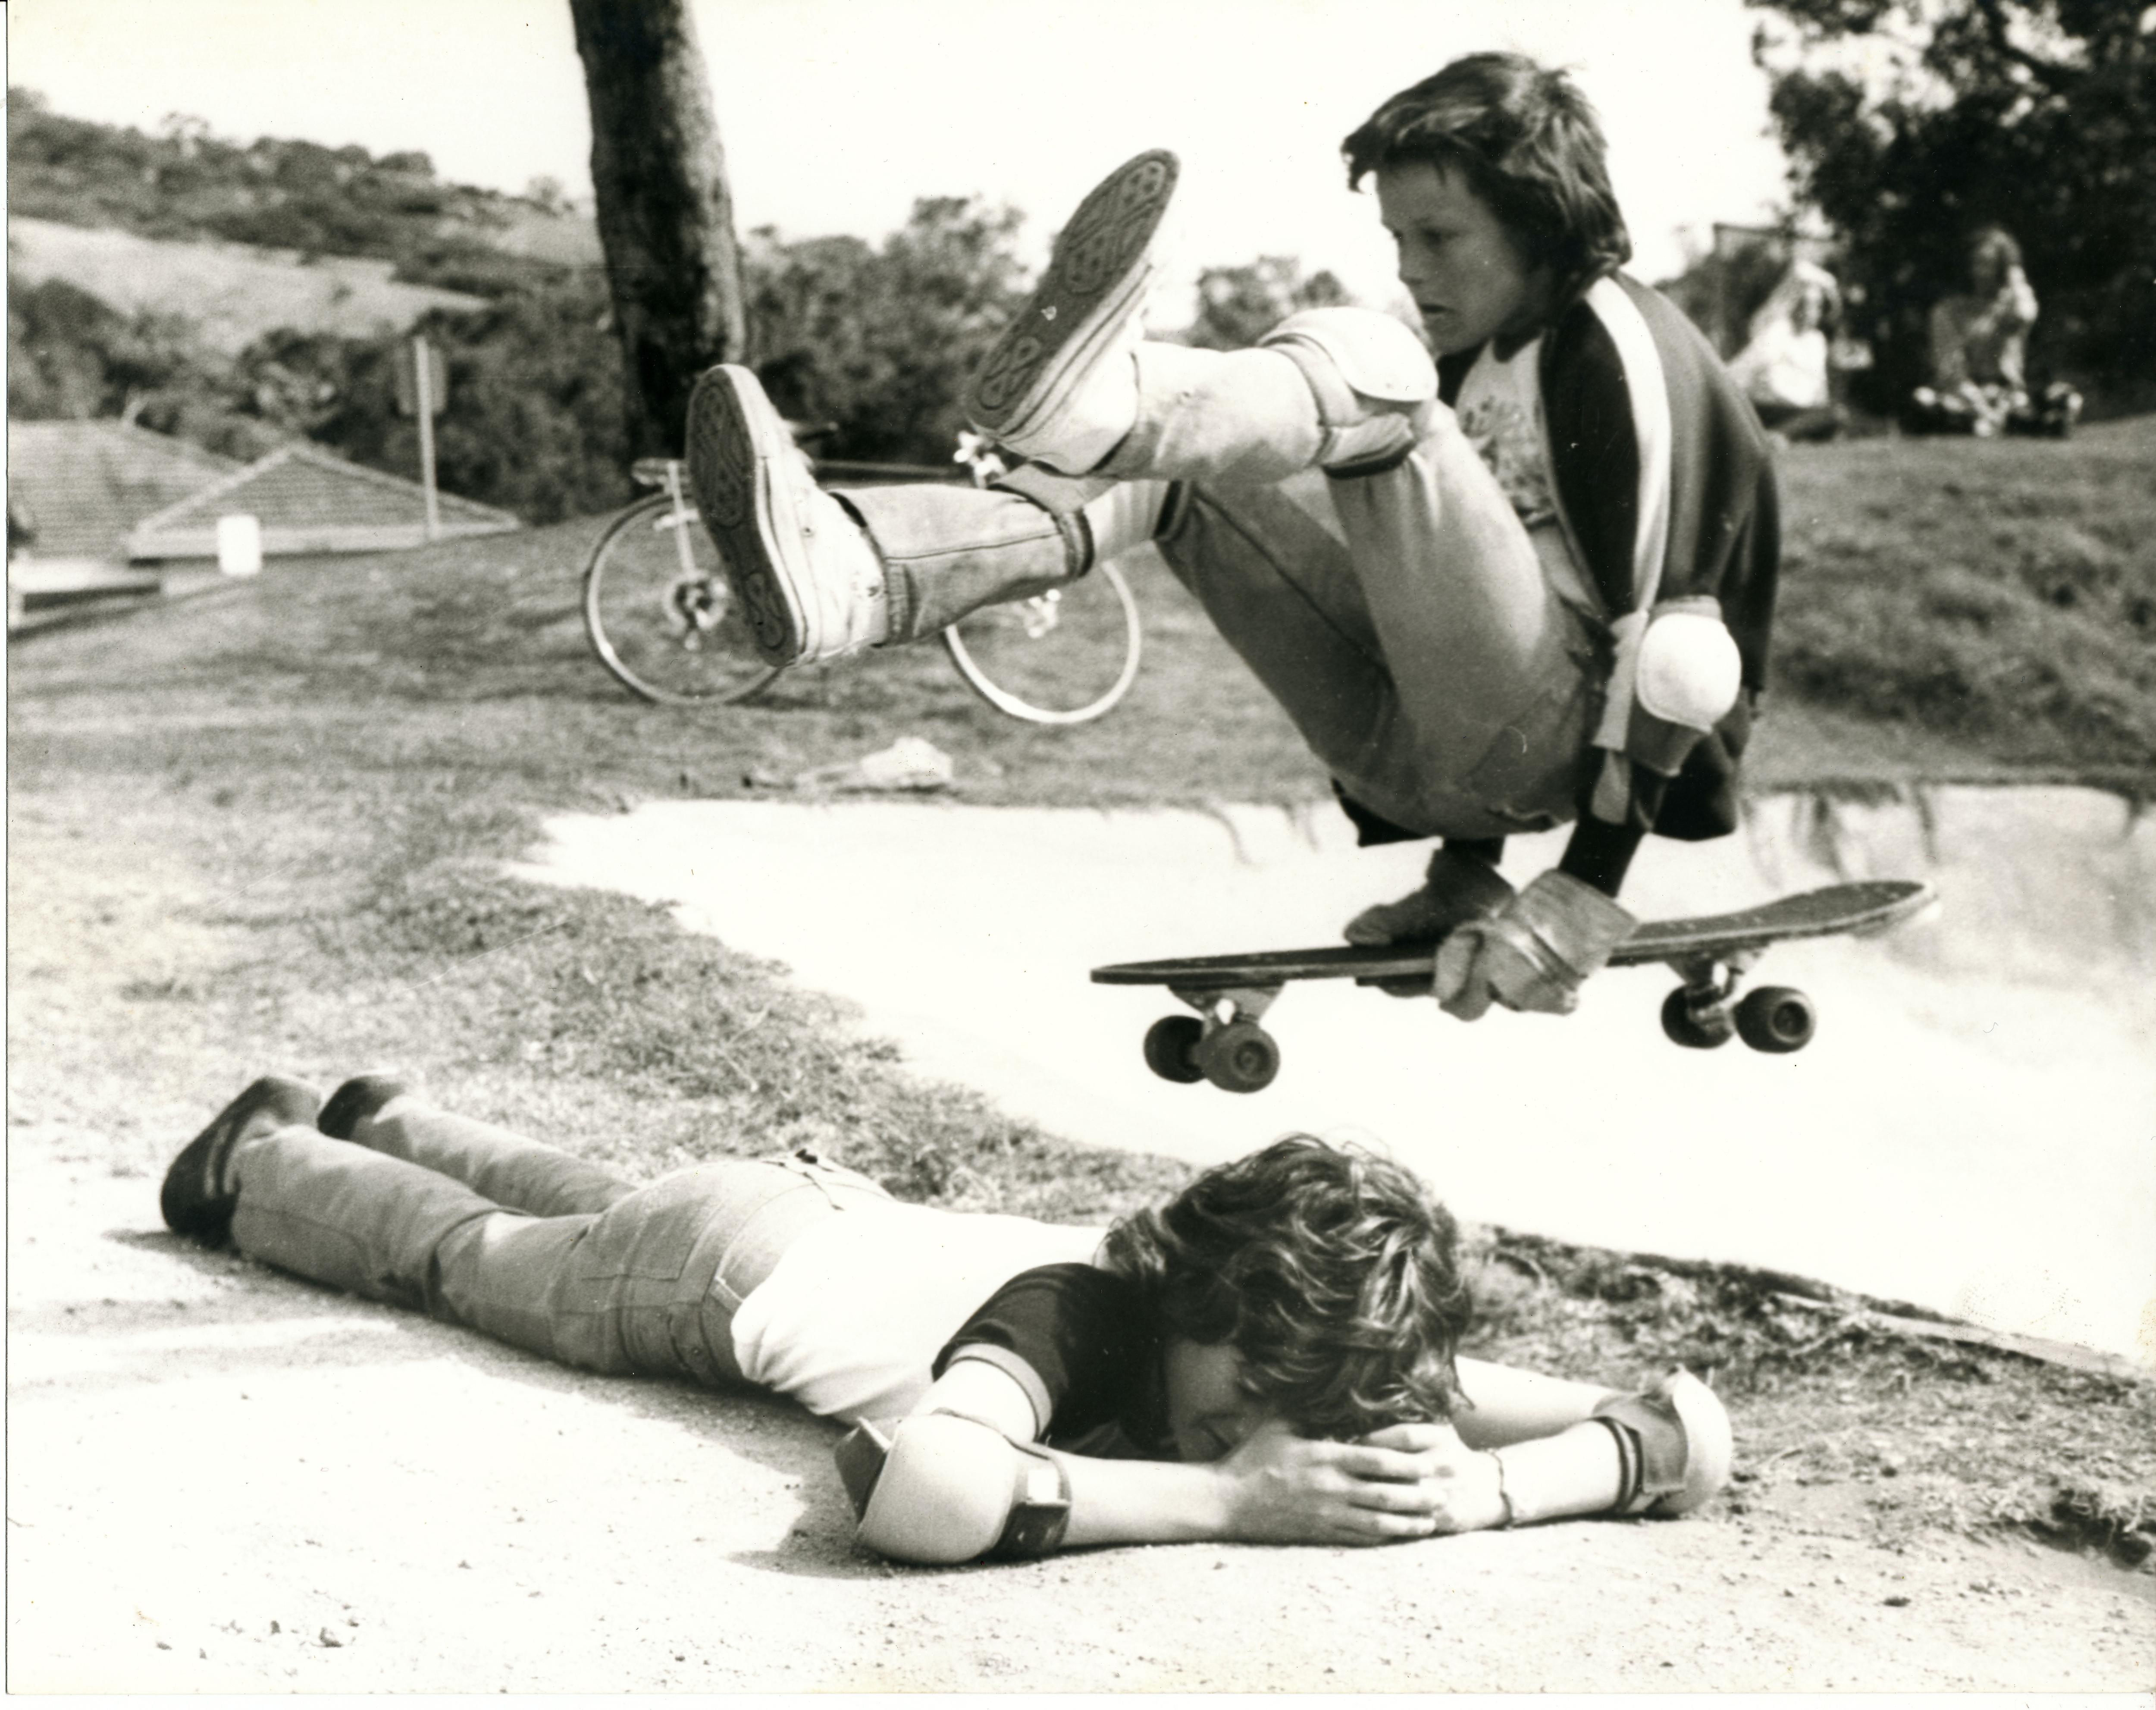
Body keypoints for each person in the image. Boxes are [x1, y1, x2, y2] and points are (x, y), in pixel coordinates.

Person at [683, 53, 1779, 1023]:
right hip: (1423, 756)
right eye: (1396, 236)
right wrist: (1465, 874)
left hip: (1570, 745)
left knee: (1379, 388)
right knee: (1184, 483)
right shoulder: (1472, 353)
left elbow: (1682, 650)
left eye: (1439, 235)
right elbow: (1459, 608)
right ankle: (859, 577)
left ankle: (1103, 409)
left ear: (1538, 223)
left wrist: (1586, 888)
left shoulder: (1620, 348)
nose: (1411, 267)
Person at [160, 1074, 1732, 1564]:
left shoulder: (1288, 1338)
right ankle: (268, 1158)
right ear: (1189, 1296)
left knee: (598, 1203)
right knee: (493, 1263)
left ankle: (393, 1109)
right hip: (721, 1276)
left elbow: (1679, 1426)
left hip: (799, 1208)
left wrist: (1506, 1481)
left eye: (1302, 1412)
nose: (1274, 1427)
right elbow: (919, 1492)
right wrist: (1231, 1498)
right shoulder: (1068, 1312)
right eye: (1255, 1391)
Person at [1904, 226, 2081, 439]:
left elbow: (2026, 314)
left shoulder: (2010, 306)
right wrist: (1982, 408)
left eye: (1991, 265)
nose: (1982, 273)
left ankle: (2011, 423)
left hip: (2008, 393)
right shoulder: (1947, 310)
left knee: (2065, 397)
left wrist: (2014, 275)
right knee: (1922, 401)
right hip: (1963, 397)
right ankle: (2005, 425)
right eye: (1978, 263)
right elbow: (1951, 370)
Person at [1727, 257, 1845, 443]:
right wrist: (1831, 284)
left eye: (1816, 305)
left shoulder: (1817, 342)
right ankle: (1780, 435)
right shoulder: (1775, 328)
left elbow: (1820, 390)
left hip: (1796, 411)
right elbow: (1800, 269)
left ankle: (1780, 435)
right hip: (1764, 406)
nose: (1809, 311)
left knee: (1835, 415)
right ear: (1794, 304)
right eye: (1804, 303)